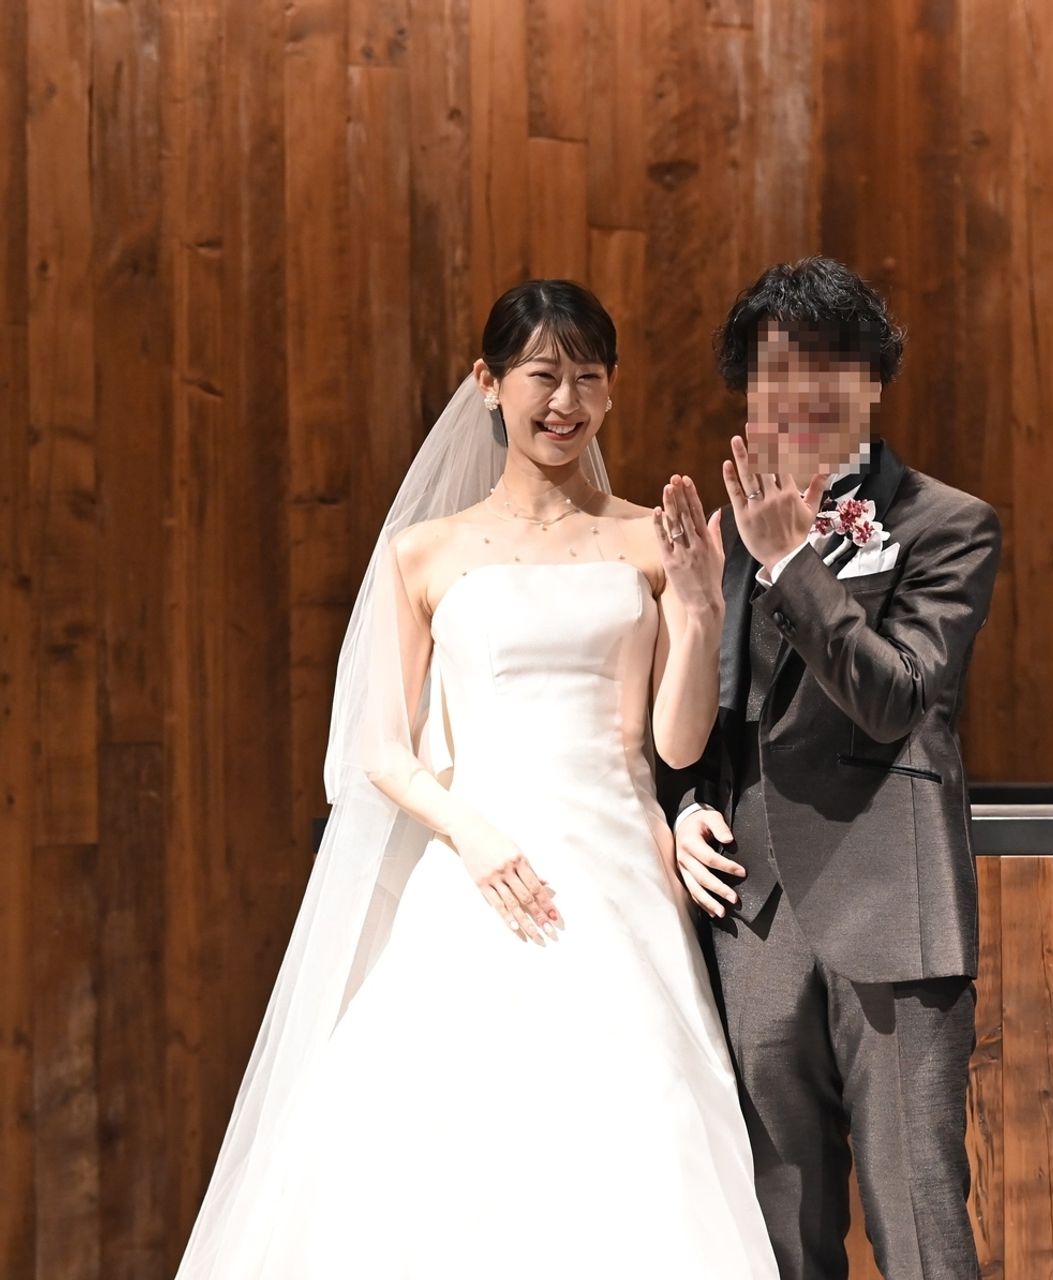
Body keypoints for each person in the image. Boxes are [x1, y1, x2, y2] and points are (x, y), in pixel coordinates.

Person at [176, 280, 780, 1278]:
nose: (566, 402)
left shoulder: (648, 538)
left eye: (589, 378)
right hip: (476, 871)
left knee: (634, 1124)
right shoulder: (422, 552)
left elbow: (676, 745)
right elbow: (380, 750)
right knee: (443, 1136)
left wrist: (704, 609)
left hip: (619, 867)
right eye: (543, 375)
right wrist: (473, 832)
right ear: (488, 382)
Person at [669, 257, 1002, 1280]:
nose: (799, 393)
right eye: (775, 371)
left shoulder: (948, 523)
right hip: (754, 910)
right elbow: (705, 716)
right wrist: (683, 805)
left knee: (919, 1223)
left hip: (892, 907)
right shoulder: (721, 532)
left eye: (827, 366)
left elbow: (896, 697)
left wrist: (790, 564)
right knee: (777, 1223)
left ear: (873, 379)